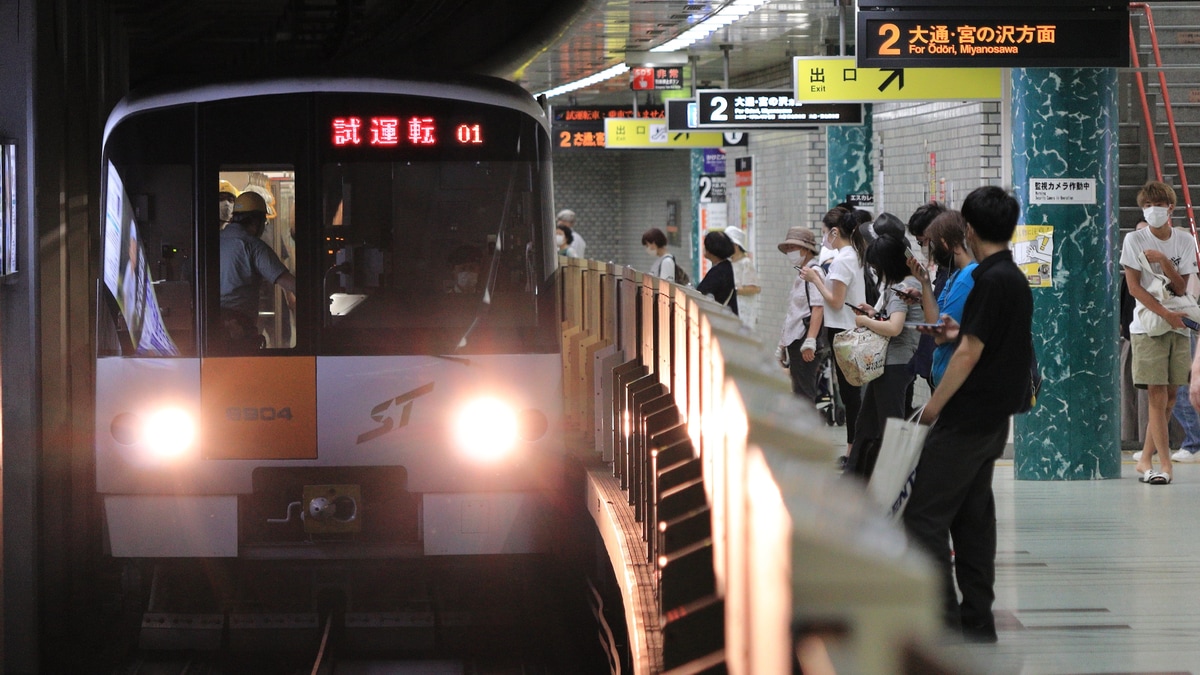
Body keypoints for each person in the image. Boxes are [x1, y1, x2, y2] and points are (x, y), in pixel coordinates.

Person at [904, 186, 1033, 643]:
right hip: (992, 420)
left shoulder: (989, 280)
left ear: (970, 230)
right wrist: (959, 331)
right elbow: (981, 338)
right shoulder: (1009, 277)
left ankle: (943, 622)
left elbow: (970, 354)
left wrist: (932, 408)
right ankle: (977, 617)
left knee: (922, 518)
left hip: (967, 418)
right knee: (971, 517)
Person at [1122, 180, 1197, 484]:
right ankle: (1165, 466)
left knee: (1170, 397)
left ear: (1170, 208)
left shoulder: (1184, 240)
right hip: (1148, 326)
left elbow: (1181, 287)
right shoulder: (1133, 240)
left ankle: (1144, 459)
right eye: (1147, 206)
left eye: (1158, 205)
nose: (1152, 210)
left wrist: (1165, 261)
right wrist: (1165, 314)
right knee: (1155, 394)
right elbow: (1134, 288)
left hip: (1179, 325)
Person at [843, 226, 922, 480]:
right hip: (890, 364)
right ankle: (855, 478)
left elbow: (894, 328)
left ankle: (892, 481)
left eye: (877, 267)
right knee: (867, 423)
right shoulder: (908, 284)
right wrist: (874, 314)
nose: (875, 271)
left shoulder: (902, 288)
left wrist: (866, 322)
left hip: (895, 364)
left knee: (891, 426)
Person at [800, 208, 868, 463]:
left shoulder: (843, 260)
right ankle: (854, 451)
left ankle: (854, 453)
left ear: (835, 231)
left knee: (851, 396)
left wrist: (815, 278)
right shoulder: (853, 255)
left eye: (824, 232)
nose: (824, 238)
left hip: (844, 331)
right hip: (851, 329)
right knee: (852, 395)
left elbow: (836, 301)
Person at [220, 191, 297, 350]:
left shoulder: (215, 240)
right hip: (240, 327)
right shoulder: (253, 246)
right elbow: (286, 281)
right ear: (257, 221)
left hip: (215, 325)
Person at [918, 210, 978, 388]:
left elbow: (939, 334)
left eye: (934, 244)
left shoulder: (967, 278)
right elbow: (933, 323)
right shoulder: (956, 275)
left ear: (945, 242)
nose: (932, 251)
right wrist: (925, 283)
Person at [776, 226, 826, 402]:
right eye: (788, 249)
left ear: (805, 249)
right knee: (799, 392)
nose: (790, 252)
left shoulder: (814, 273)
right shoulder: (802, 273)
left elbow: (818, 307)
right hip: (796, 341)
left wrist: (810, 340)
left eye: (793, 248)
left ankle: (809, 429)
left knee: (804, 394)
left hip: (804, 342)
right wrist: (782, 345)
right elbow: (794, 313)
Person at [724, 226, 761, 328]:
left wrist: (732, 291)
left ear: (735, 245)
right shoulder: (728, 263)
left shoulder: (746, 263)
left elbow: (754, 288)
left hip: (744, 311)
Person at [696, 230, 738, 315]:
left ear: (711, 250)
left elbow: (700, 293)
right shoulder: (726, 267)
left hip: (720, 320)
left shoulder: (718, 272)